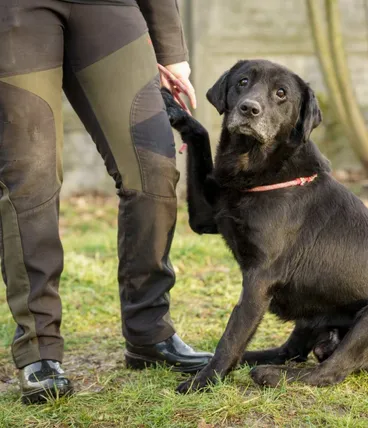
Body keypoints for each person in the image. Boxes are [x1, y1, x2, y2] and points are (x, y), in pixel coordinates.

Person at [0, 0, 212, 404]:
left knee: (152, 167)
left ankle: (149, 331)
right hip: (16, 13)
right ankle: (39, 348)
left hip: (109, 8)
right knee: (30, 175)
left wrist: (172, 53)